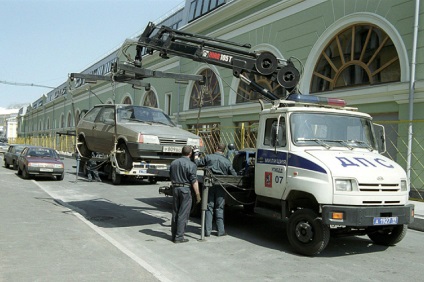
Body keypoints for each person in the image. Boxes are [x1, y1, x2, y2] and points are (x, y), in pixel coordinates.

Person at [195, 143, 237, 237]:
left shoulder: (208, 157)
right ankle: (220, 231)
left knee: (209, 207)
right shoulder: (227, 161)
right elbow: (234, 175)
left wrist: (196, 155)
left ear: (216, 148)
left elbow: (197, 163)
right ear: (224, 150)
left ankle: (207, 231)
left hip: (209, 185)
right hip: (221, 186)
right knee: (219, 207)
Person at [169, 145, 201, 243]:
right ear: (190, 153)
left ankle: (174, 235)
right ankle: (179, 237)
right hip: (185, 190)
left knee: (175, 212)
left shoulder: (174, 162)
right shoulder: (192, 165)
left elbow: (170, 175)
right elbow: (194, 181)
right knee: (183, 213)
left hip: (175, 188)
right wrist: (198, 194)